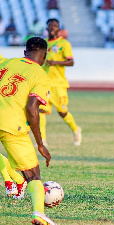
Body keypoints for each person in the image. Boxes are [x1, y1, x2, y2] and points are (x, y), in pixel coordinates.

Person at [0, 37, 56, 224]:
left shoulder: (7, 62)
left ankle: (14, 180)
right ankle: (38, 213)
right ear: (45, 56)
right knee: (33, 175)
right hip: (13, 126)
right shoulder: (41, 76)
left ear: (25, 52)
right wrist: (40, 144)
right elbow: (32, 109)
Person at [40, 18, 82, 146]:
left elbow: (71, 61)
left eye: (55, 26)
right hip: (45, 84)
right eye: (50, 26)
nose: (52, 28)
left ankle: (76, 129)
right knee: (41, 110)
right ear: (47, 29)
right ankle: (42, 140)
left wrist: (55, 62)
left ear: (59, 29)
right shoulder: (44, 44)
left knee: (62, 112)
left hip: (58, 84)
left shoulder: (64, 44)